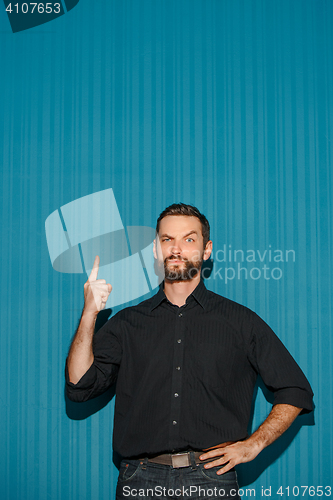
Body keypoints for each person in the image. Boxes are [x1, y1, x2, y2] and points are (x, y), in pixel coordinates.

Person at [65, 203, 314, 499]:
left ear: (206, 250)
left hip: (211, 479)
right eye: (167, 240)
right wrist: (89, 314)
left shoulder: (240, 322)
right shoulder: (127, 323)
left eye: (189, 239)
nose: (177, 249)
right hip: (139, 480)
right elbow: (79, 386)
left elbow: (296, 390)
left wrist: (255, 443)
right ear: (156, 250)